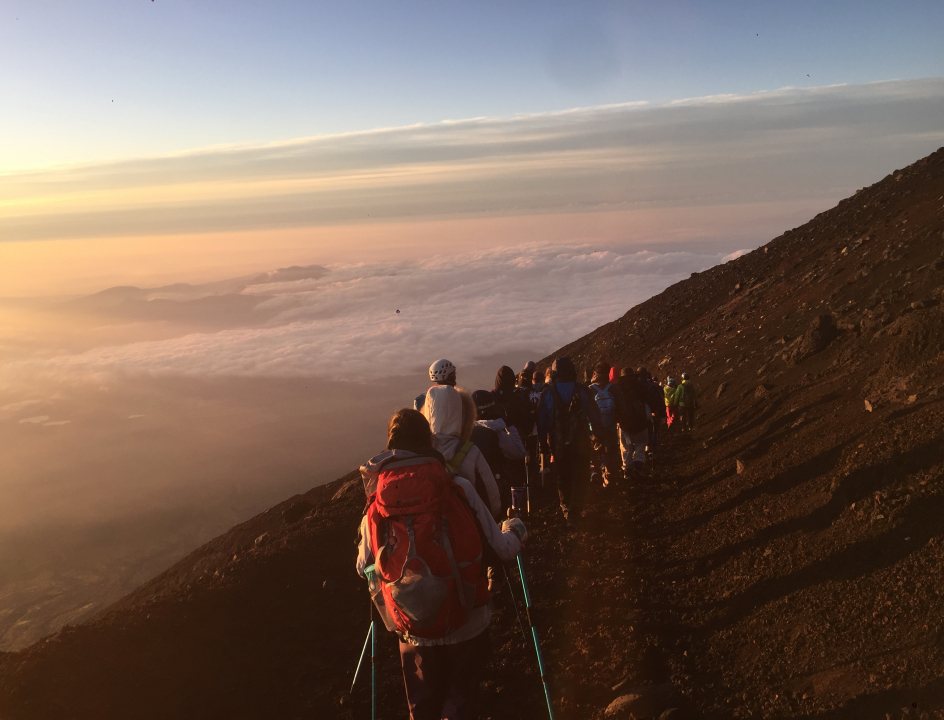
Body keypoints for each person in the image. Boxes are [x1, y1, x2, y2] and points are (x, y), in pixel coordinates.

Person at [356, 409, 527, 720]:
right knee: (461, 701)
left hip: (413, 628)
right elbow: (501, 549)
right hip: (467, 620)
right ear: (428, 441)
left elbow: (363, 567)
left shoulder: (376, 505)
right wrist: (515, 529)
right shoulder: (457, 486)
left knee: (422, 709)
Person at [537, 356, 602, 521]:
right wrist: (599, 436)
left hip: (557, 444)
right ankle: (578, 507)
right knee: (580, 474)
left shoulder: (548, 393)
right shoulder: (582, 390)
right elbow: (594, 416)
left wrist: (543, 444)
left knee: (563, 476)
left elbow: (542, 421)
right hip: (580, 442)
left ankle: (567, 510)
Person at [422, 383, 502, 518]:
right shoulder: (470, 452)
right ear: (461, 413)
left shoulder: (421, 454)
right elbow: (493, 500)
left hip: (428, 532)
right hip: (466, 531)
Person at [470, 390, 526, 511]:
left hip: (476, 489)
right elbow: (518, 452)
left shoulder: (466, 433)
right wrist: (509, 425)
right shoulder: (501, 430)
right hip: (500, 483)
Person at [614, 368, 650, 479]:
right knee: (640, 443)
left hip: (625, 423)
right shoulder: (640, 386)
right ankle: (638, 463)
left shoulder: (617, 388)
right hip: (640, 421)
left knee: (626, 447)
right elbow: (648, 400)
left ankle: (627, 469)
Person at [588, 362, 620, 486]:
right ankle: (609, 477)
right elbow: (620, 407)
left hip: (594, 428)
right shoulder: (613, 388)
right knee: (610, 452)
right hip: (610, 427)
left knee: (595, 451)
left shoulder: (590, 389)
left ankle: (595, 471)